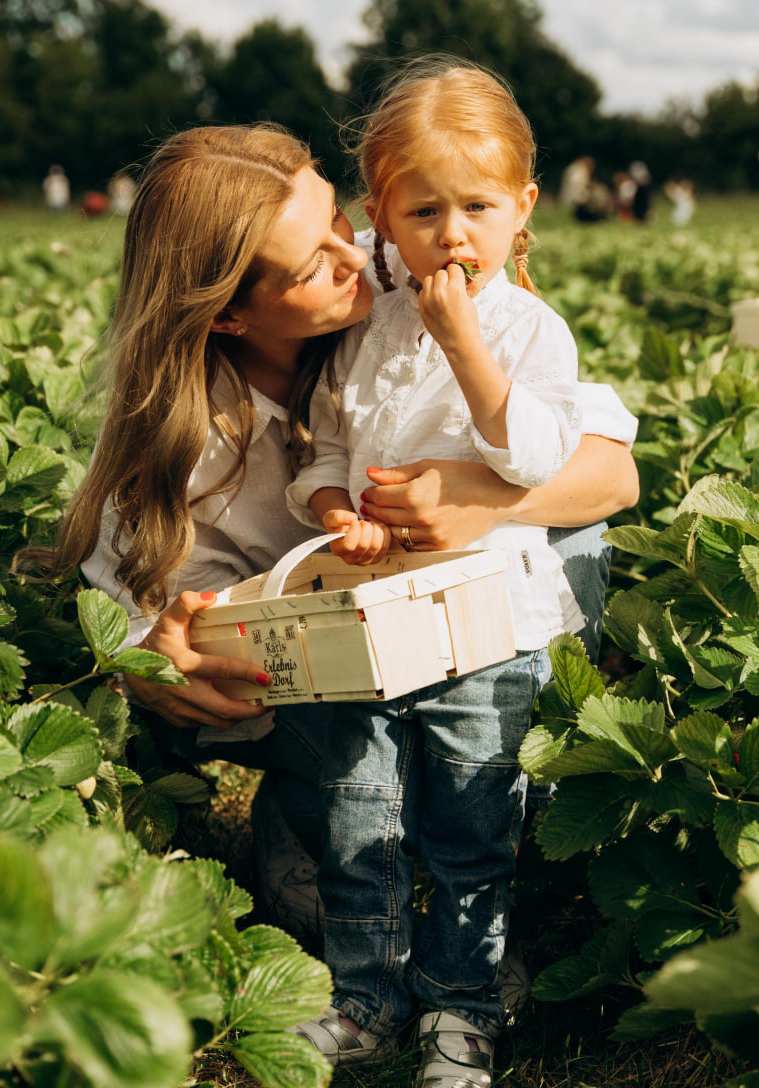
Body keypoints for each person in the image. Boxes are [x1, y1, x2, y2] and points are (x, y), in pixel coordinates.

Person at [45, 122, 637, 955]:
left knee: (569, 546)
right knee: (325, 889)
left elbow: (614, 475)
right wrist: (158, 651)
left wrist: (487, 501)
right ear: (226, 318)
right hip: (330, 688)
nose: (353, 255)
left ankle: (497, 787)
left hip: (466, 630)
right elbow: (138, 609)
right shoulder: (180, 447)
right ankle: (322, 801)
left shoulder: (411, 262)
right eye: (310, 263)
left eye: (336, 219)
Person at [284, 60, 632, 1086]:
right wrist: (335, 512)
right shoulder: (368, 333)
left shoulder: (528, 330)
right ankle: (364, 993)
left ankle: (462, 1003)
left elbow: (528, 454)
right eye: (422, 209)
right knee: (360, 810)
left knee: (473, 820)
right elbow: (327, 456)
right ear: (380, 218)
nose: (452, 234)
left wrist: (464, 342)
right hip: (373, 614)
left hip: (489, 623)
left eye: (476, 206)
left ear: (522, 208)